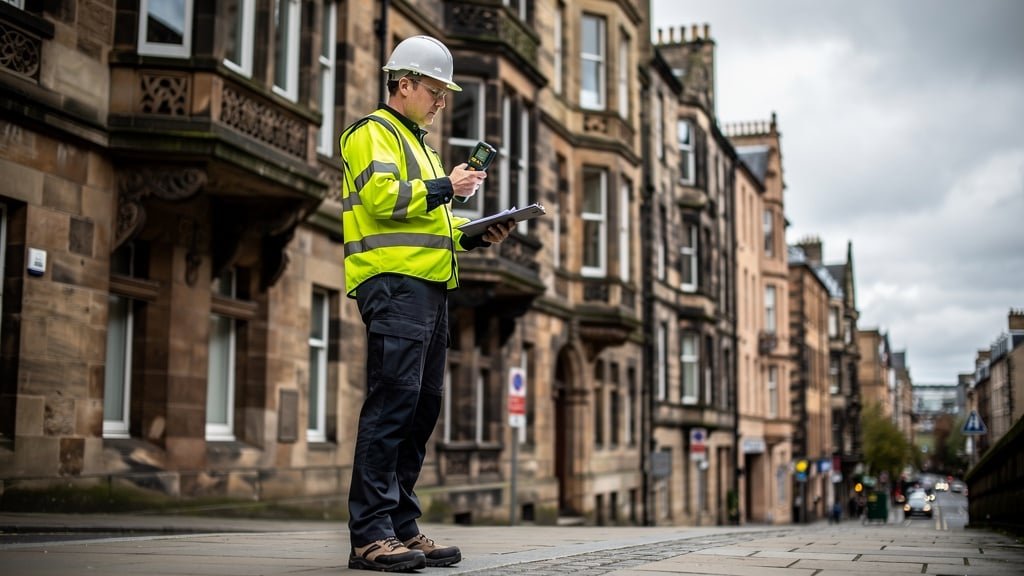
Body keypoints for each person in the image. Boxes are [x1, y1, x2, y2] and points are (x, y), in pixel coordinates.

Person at [339, 35, 514, 572]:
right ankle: (369, 534)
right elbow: (384, 200)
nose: (441, 101)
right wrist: (447, 186)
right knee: (392, 405)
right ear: (404, 84)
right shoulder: (371, 134)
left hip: (428, 289)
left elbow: (429, 226)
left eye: (444, 92)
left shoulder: (421, 146)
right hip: (392, 285)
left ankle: (400, 527)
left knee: (420, 410)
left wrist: (476, 233)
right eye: (435, 90)